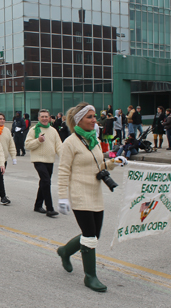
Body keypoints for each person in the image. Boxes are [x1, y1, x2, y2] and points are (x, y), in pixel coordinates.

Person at [56, 102, 127, 292]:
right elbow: (63, 171)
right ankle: (90, 276)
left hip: (95, 192)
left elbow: (98, 165)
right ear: (79, 120)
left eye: (94, 116)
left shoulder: (92, 140)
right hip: (80, 194)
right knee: (89, 236)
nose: (94, 120)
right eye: (90, 117)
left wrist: (113, 162)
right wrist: (63, 197)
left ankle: (65, 251)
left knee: (94, 235)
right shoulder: (70, 143)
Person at [24, 109, 62, 217]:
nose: (45, 119)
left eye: (46, 117)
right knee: (46, 181)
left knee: (44, 182)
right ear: (39, 118)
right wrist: (38, 141)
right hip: (38, 159)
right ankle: (49, 208)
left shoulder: (53, 131)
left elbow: (59, 145)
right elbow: (27, 145)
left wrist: (64, 157)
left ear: (49, 118)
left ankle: (37, 205)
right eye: (42, 117)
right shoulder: (33, 130)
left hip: (50, 160)